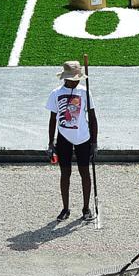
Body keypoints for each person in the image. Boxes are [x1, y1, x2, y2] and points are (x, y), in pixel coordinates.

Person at [45, 60, 98, 222]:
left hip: (83, 138)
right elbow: (52, 119)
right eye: (72, 79)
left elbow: (93, 117)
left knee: (84, 173)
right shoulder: (56, 93)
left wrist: (94, 142)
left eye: (77, 79)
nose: (75, 81)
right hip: (64, 139)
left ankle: (86, 208)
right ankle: (65, 208)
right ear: (65, 78)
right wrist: (50, 143)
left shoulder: (85, 92)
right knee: (65, 173)